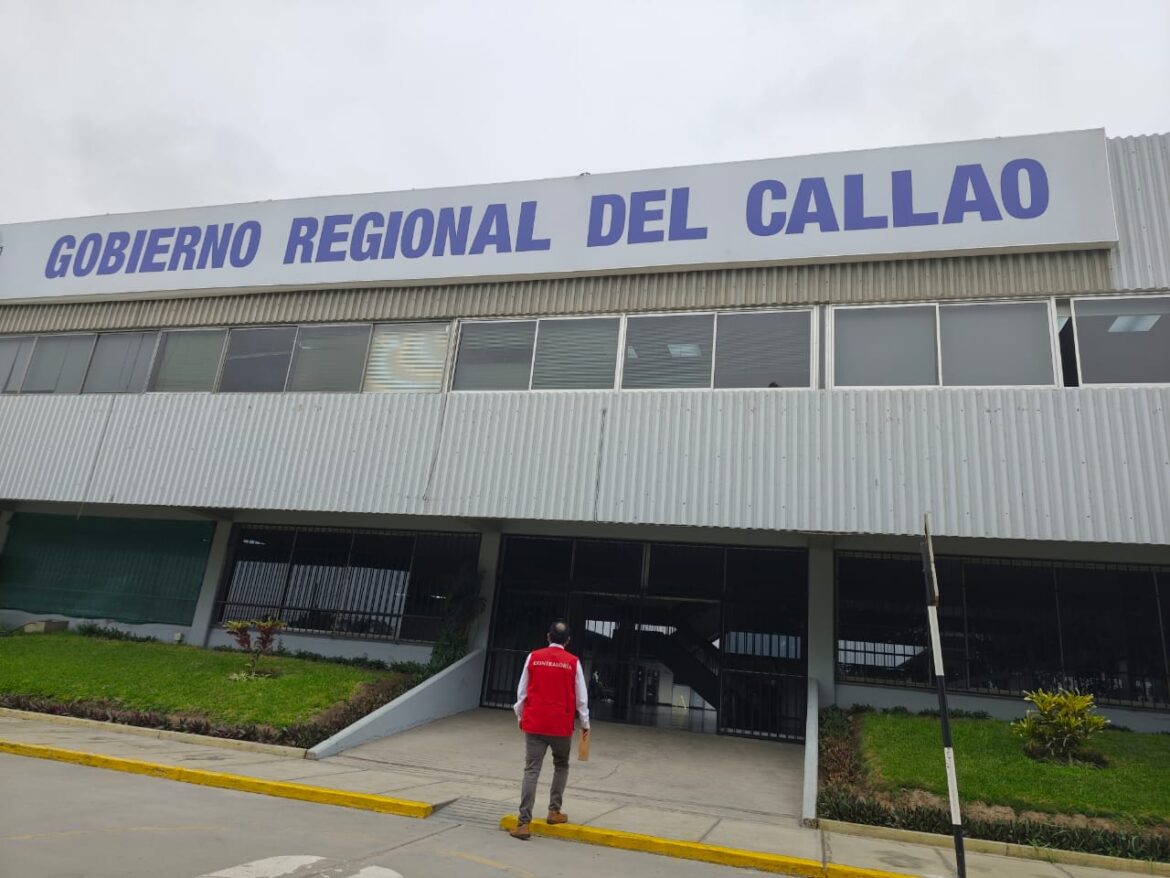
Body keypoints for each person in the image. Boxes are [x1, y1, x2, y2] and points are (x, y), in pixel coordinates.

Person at [508, 619, 590, 841]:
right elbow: (581, 698)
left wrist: (520, 715)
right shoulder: (573, 662)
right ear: (568, 640)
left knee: (531, 770)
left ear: (548, 637)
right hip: (561, 726)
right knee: (561, 765)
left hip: (535, 722)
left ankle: (523, 823)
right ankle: (554, 811)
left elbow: (522, 692)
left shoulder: (533, 657)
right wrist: (585, 725)